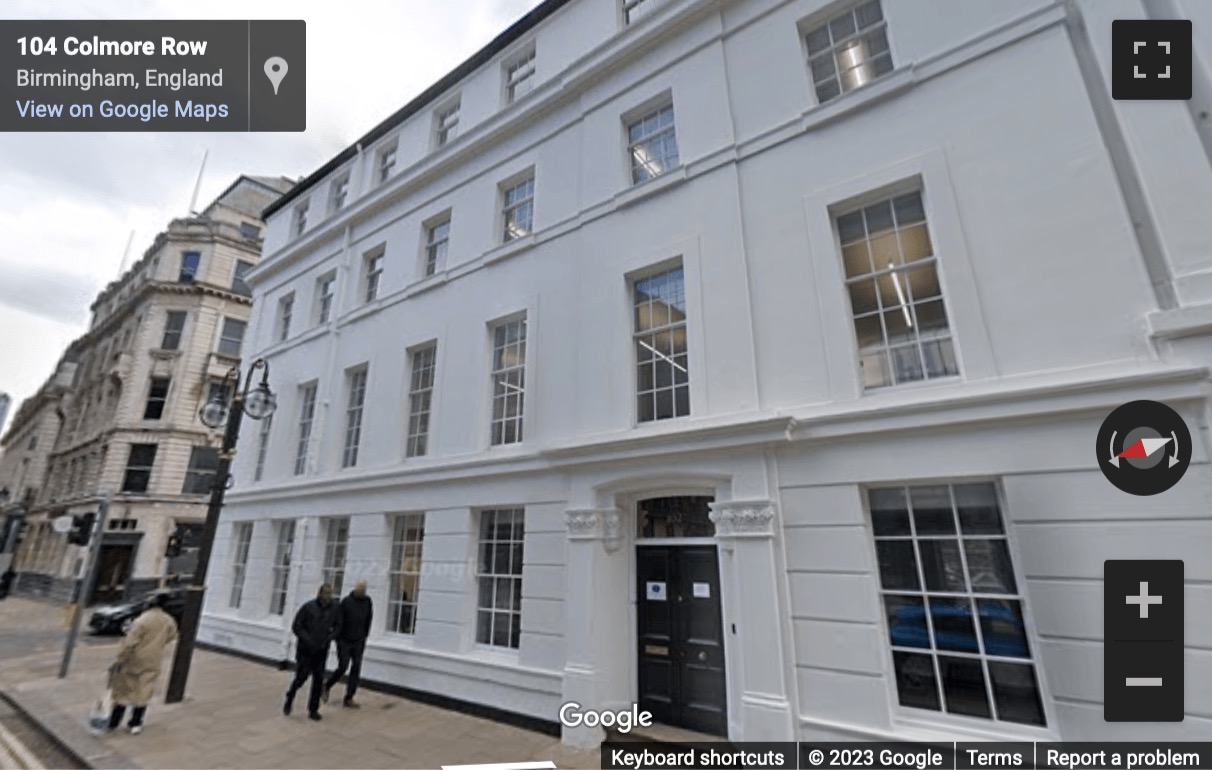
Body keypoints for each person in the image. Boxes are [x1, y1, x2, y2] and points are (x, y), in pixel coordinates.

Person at [107, 591, 179, 734]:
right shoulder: (168, 620)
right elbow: (172, 636)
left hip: (134, 658)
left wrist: (120, 659)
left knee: (124, 690)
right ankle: (136, 723)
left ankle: (114, 721)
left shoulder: (142, 620)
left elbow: (129, 642)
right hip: (154, 658)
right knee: (144, 690)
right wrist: (158, 644)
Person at [284, 584, 339, 721]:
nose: (327, 596)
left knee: (318, 679)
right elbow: (297, 625)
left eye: (330, 594)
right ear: (319, 593)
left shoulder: (334, 609)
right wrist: (307, 639)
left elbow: (338, 626)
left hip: (321, 650)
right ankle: (291, 695)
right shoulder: (308, 607)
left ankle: (313, 709)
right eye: (325, 593)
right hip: (306, 650)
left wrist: (329, 638)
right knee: (301, 677)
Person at [323, 579, 373, 708]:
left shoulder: (368, 601)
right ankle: (327, 685)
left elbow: (368, 619)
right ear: (355, 588)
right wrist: (335, 638)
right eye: (360, 589)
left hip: (359, 640)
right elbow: (339, 622)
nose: (362, 591)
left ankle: (349, 697)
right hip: (344, 640)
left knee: (356, 667)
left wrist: (364, 636)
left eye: (364, 589)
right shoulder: (346, 602)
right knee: (343, 667)